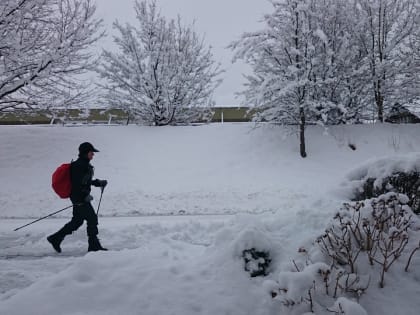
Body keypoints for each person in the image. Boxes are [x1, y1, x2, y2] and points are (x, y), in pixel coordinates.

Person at [47, 142, 108, 252]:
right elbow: (78, 184)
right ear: (85, 153)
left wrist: (97, 183)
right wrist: (84, 196)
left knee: (77, 221)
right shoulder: (80, 165)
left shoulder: (83, 164)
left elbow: (85, 181)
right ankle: (94, 246)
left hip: (78, 197)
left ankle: (55, 238)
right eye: (91, 152)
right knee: (92, 219)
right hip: (80, 198)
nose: (93, 155)